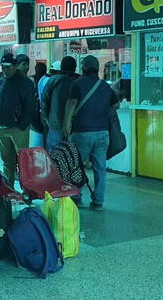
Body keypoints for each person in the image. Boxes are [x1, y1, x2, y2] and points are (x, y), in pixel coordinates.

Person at [63, 55, 119, 210]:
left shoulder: (77, 84)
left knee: (77, 166)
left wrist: (66, 126)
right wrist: (103, 113)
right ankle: (98, 200)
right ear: (97, 68)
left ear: (84, 68)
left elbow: (71, 105)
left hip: (82, 132)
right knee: (100, 168)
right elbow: (116, 104)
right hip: (102, 133)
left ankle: (76, 196)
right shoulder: (104, 86)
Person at [0, 53, 36, 187]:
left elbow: (31, 106)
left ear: (14, 66)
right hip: (2, 128)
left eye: (8, 67)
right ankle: (9, 191)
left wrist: (22, 126)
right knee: (7, 162)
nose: (5, 70)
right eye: (3, 67)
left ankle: (27, 192)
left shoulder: (25, 83)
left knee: (23, 163)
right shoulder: (2, 80)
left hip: (18, 129)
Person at [41, 57, 79, 152]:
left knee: (54, 155)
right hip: (76, 126)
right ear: (75, 67)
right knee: (74, 156)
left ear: (61, 67)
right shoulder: (80, 80)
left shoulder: (53, 80)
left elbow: (44, 101)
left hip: (55, 124)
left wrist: (46, 120)